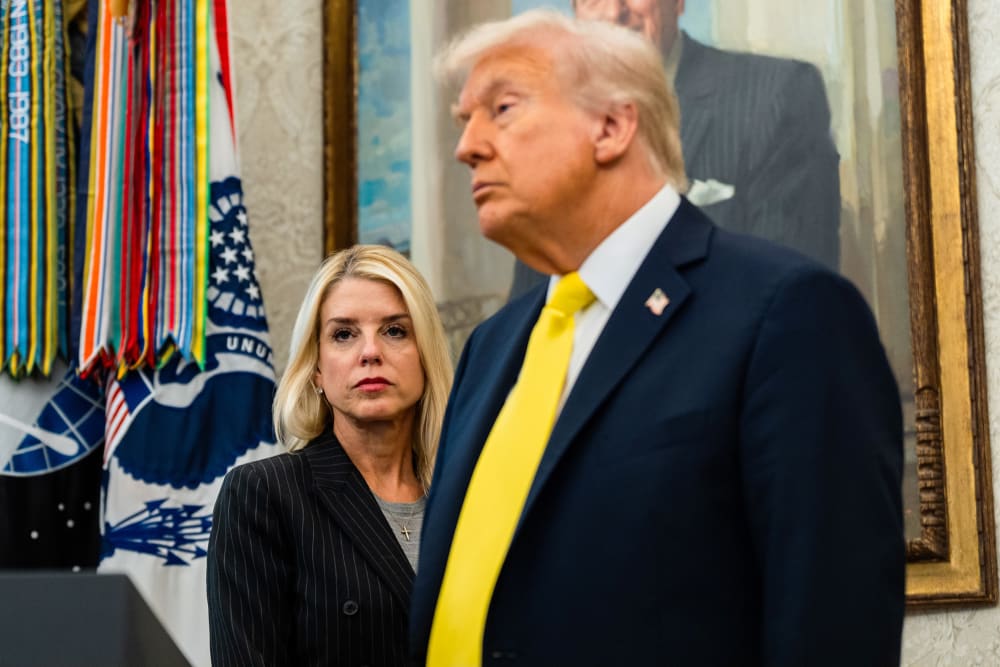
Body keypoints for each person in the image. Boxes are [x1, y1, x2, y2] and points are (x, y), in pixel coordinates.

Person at [410, 10, 903, 666]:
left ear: (611, 126)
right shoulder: (489, 351)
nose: (466, 145)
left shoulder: (786, 315)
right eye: (462, 119)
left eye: (501, 108)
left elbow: (830, 631)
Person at [207, 245, 453, 666]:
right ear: (317, 369)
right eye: (343, 334)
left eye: (395, 330)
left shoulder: (467, 496)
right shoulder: (265, 495)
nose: (370, 352)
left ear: (425, 355)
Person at [509, 0, 840, 299]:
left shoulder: (777, 96)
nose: (614, 12)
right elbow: (530, 309)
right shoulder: (554, 128)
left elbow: (792, 296)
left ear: (678, 3)